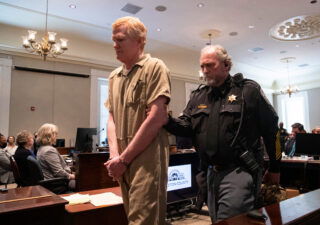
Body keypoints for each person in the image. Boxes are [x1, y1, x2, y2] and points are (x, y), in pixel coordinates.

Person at [164, 45, 281, 223]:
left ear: (226, 65)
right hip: (209, 172)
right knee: (216, 219)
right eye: (202, 66)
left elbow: (272, 130)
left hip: (239, 169)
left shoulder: (248, 91)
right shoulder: (198, 96)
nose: (204, 71)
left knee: (230, 220)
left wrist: (275, 167)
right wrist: (166, 120)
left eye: (210, 65)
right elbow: (186, 127)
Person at [104, 16, 171, 225]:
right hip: (123, 161)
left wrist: (123, 159)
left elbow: (157, 117)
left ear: (140, 41)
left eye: (120, 40)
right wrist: (115, 156)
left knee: (142, 221)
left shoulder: (155, 67)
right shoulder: (114, 76)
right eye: (113, 40)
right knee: (131, 216)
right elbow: (111, 118)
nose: (115, 45)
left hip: (147, 160)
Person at [36, 123, 75, 190]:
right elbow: (58, 172)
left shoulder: (41, 148)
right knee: (84, 182)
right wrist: (72, 176)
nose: (56, 137)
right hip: (56, 182)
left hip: (52, 181)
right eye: (55, 134)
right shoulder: (49, 150)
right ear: (49, 136)